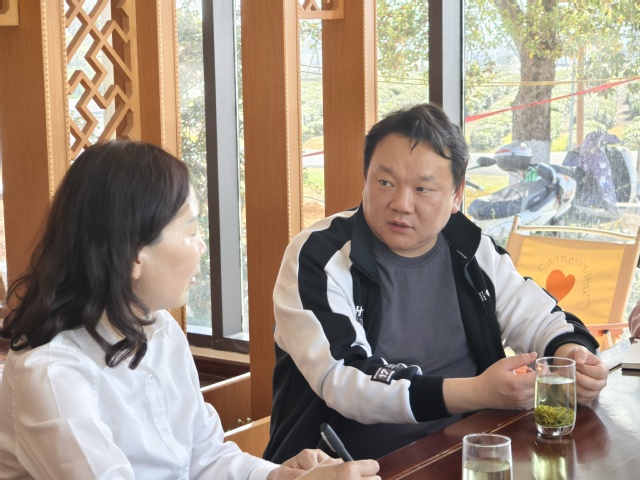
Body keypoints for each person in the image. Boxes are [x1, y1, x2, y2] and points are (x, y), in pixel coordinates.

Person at [0, 141, 380, 480]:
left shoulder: (159, 328)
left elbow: (204, 458)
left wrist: (281, 477)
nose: (201, 247)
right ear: (134, 255)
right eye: (192, 231)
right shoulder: (52, 375)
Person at [264, 103, 609, 462]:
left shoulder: (469, 248)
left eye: (423, 189)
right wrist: (477, 392)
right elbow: (345, 379)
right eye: (385, 183)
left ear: (457, 195)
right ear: (365, 179)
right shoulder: (319, 255)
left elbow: (539, 318)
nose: (401, 204)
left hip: (466, 455)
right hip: (345, 466)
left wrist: (572, 357)